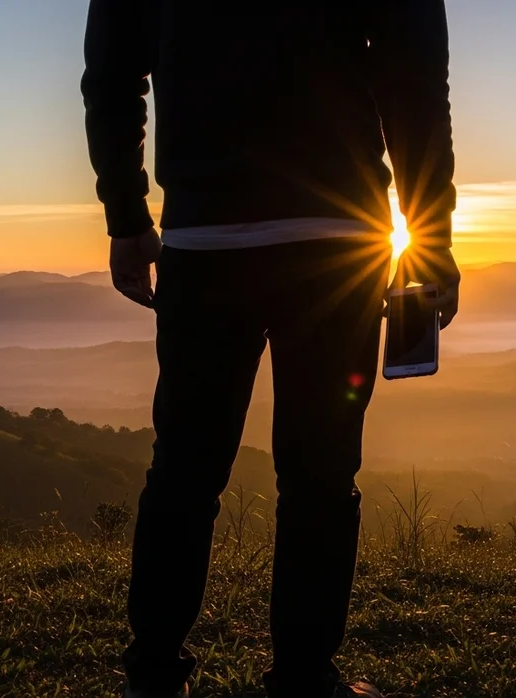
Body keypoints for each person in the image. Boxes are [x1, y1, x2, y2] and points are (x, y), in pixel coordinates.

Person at [82, 1, 459, 696]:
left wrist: (127, 215)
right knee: (319, 475)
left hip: (204, 237)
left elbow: (112, 66)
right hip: (336, 238)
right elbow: (413, 68)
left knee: (186, 470)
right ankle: (304, 681)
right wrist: (429, 232)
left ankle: (154, 675)